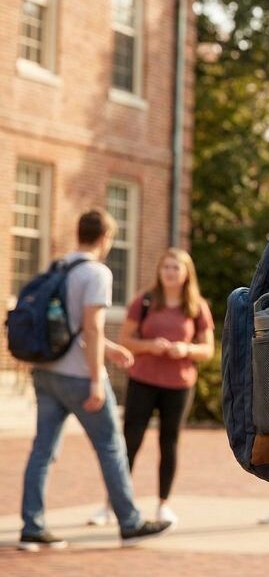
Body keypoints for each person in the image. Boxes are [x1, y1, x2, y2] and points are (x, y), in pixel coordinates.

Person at [18, 210, 173, 551]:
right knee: (111, 448)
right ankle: (130, 522)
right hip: (78, 375)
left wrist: (112, 349)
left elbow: (73, 326)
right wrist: (93, 379)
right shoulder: (96, 272)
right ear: (105, 237)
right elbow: (91, 326)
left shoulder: (59, 266)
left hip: (46, 372)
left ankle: (32, 525)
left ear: (79, 233)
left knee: (42, 450)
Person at [84, 249, 213, 527]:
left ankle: (163, 504)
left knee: (169, 443)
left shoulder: (196, 307)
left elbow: (208, 350)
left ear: (186, 273)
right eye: (165, 266)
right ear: (159, 270)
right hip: (142, 381)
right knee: (129, 442)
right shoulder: (143, 301)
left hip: (178, 385)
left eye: (175, 268)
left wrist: (185, 349)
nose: (170, 272)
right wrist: (150, 346)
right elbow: (125, 339)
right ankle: (111, 504)